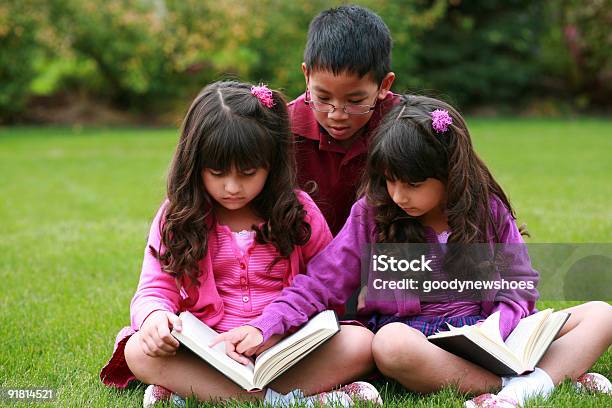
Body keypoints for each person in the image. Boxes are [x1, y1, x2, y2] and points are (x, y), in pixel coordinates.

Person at [216, 95, 612, 407]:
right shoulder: (373, 215)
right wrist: (267, 324)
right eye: (389, 181)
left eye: (413, 183)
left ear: (449, 174)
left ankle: (525, 386)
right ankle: (525, 386)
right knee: (389, 345)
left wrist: (498, 326)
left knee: (601, 314)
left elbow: (519, 286)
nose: (398, 195)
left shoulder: (486, 211)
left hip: (490, 336)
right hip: (420, 344)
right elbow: (320, 285)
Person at [99, 81, 381, 407]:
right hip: (209, 350)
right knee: (139, 351)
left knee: (361, 342)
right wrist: (154, 318)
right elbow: (154, 287)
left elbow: (326, 286)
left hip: (285, 347)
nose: (232, 187)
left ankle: (194, 394)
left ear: (270, 163)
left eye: (247, 173)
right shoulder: (178, 215)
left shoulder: (298, 212)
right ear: (194, 164)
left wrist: (275, 330)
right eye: (217, 172)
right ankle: (295, 400)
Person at [290, 5, 399, 235]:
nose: (337, 115)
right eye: (322, 97)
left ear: (384, 86)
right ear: (306, 76)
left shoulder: (406, 125)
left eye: (355, 101)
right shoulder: (282, 129)